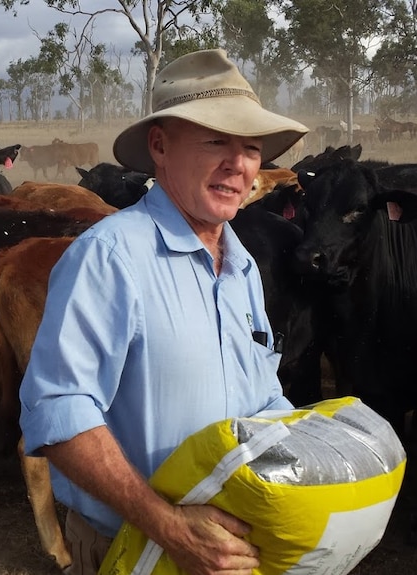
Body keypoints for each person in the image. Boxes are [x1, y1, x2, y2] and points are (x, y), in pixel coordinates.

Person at [19, 49, 309, 575]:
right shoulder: (111, 256)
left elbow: (262, 394)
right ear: (159, 145)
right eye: (216, 140)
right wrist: (169, 527)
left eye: (250, 148)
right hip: (133, 546)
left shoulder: (241, 266)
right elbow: (59, 413)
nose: (238, 164)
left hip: (229, 552)